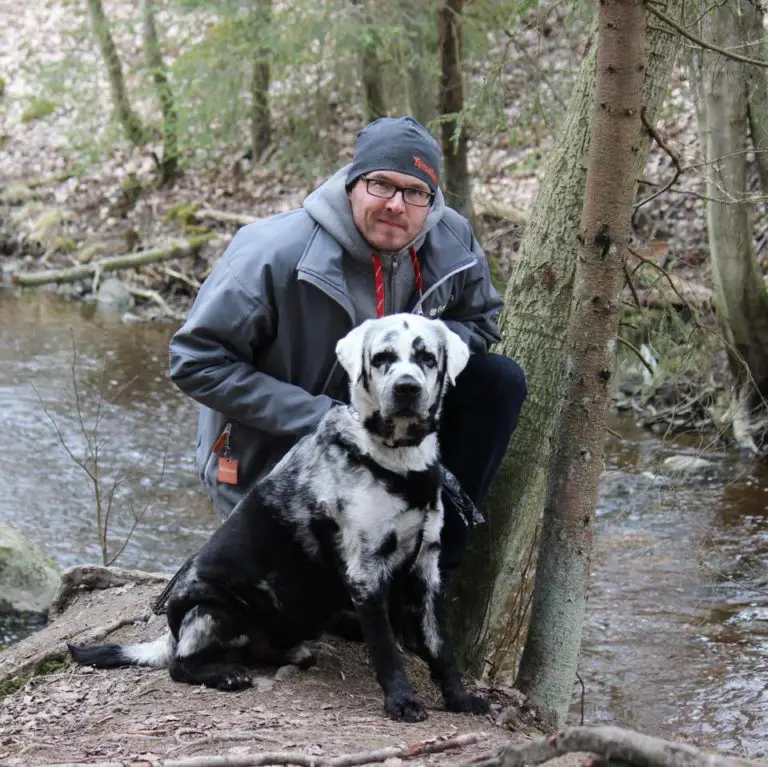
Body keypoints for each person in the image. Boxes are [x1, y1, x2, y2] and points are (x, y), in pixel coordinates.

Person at [168, 116, 527, 574]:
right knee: (315, 593)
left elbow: (479, 319)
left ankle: (435, 566)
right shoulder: (272, 252)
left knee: (499, 380)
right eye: (381, 185)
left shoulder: (451, 241)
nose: (397, 205)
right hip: (284, 441)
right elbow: (195, 362)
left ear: (431, 200)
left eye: (415, 192)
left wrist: (424, 353)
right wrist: (323, 416)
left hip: (394, 423)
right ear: (353, 184)